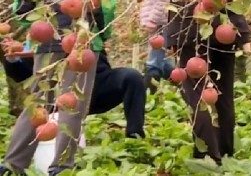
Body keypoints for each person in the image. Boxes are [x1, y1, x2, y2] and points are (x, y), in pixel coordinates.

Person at [1, 0, 113, 176]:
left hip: (48, 41)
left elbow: (21, 7)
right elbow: (106, 7)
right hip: (82, 42)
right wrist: (101, 34)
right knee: (72, 105)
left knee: (39, 104)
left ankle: (11, 165)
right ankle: (61, 168)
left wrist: (42, 28)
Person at [155, 0, 251, 164]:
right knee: (222, 94)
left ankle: (208, 155)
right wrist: (243, 32)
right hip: (225, 26)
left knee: (197, 94)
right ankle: (226, 150)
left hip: (190, 25)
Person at [1, 43, 146, 139]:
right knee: (37, 114)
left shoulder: (89, 27)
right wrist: (13, 59)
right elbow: (21, 74)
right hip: (61, 96)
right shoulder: (41, 36)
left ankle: (135, 133)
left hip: (98, 86)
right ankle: (16, 161)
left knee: (132, 77)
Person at [140, 0, 172, 93]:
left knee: (154, 62)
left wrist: (153, 19)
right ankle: (179, 82)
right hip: (156, 21)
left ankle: (149, 94)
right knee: (159, 60)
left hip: (161, 21)